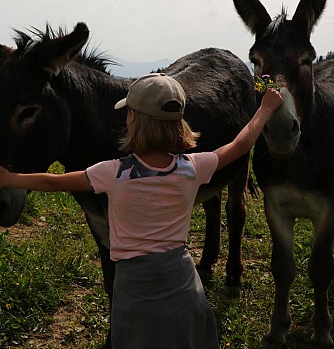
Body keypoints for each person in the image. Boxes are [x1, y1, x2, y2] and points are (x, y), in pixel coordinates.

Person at [0, 73, 283, 349]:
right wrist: (264, 109)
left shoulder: (112, 172)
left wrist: (11, 179)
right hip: (183, 283)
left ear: (132, 119)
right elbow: (241, 144)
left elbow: (54, 182)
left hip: (135, 289)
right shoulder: (193, 167)